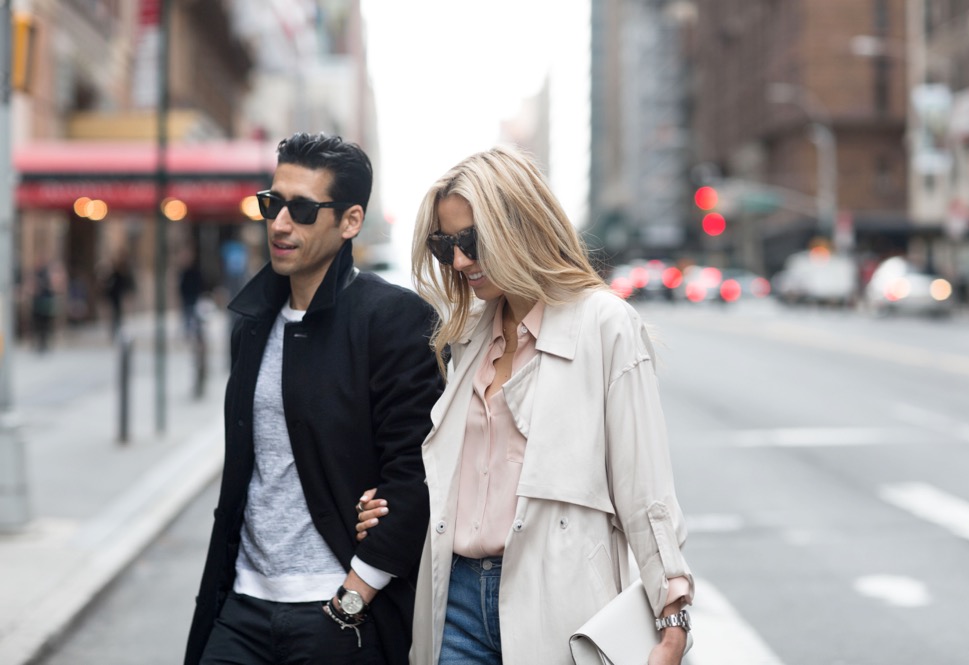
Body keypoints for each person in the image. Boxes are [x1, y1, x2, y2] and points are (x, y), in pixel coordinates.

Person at [356, 146, 694, 665]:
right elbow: (446, 470)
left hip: (560, 602)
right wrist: (387, 504)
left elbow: (644, 488)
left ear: (519, 225)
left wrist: (671, 620)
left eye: (471, 241)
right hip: (458, 602)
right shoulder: (465, 337)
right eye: (445, 246)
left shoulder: (604, 324)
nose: (460, 261)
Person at [184, 132, 442, 665]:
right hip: (242, 605)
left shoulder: (392, 320)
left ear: (349, 221)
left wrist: (354, 596)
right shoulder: (252, 325)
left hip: (336, 614)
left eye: (301, 210)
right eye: (272, 204)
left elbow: (415, 472)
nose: (279, 224)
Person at [103, 252, 135, 340]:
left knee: (118, 316)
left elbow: (127, 285)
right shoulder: (114, 274)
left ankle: (119, 332)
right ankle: (115, 332)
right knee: (115, 316)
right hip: (114, 298)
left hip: (118, 298)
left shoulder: (122, 275)